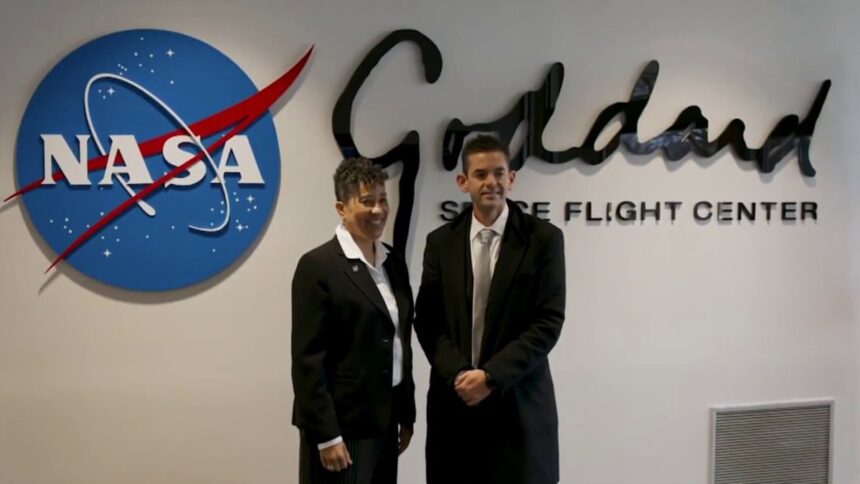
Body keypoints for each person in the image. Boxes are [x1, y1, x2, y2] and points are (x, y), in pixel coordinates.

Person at [415, 134, 566, 484]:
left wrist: (491, 378)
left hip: (519, 408)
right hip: (455, 410)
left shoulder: (544, 239)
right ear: (463, 182)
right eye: (480, 174)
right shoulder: (440, 242)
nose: (491, 182)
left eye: (499, 173)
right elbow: (428, 321)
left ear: (511, 178)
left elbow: (548, 322)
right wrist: (460, 375)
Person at [291, 157, 415, 484]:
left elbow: (401, 341)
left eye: (383, 199)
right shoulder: (318, 266)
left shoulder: (393, 262)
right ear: (341, 208)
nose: (378, 210)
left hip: (386, 420)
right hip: (342, 428)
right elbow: (308, 360)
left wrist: (406, 413)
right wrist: (327, 435)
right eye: (367, 201)